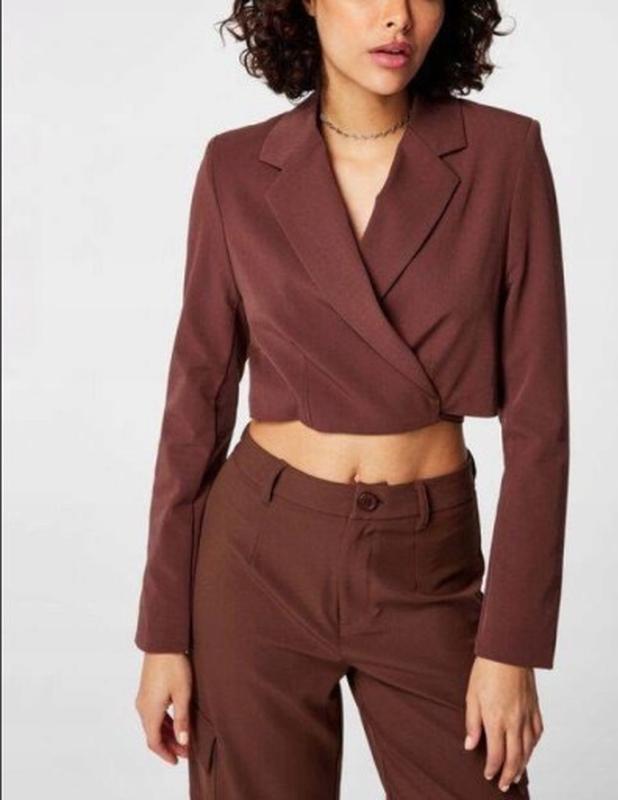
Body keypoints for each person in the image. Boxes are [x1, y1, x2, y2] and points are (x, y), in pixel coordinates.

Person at [133, 0, 570, 797]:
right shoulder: (236, 167)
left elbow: (541, 424)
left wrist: (512, 646)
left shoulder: (504, 155)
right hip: (257, 556)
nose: (397, 17)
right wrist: (163, 632)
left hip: (426, 559)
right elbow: (195, 403)